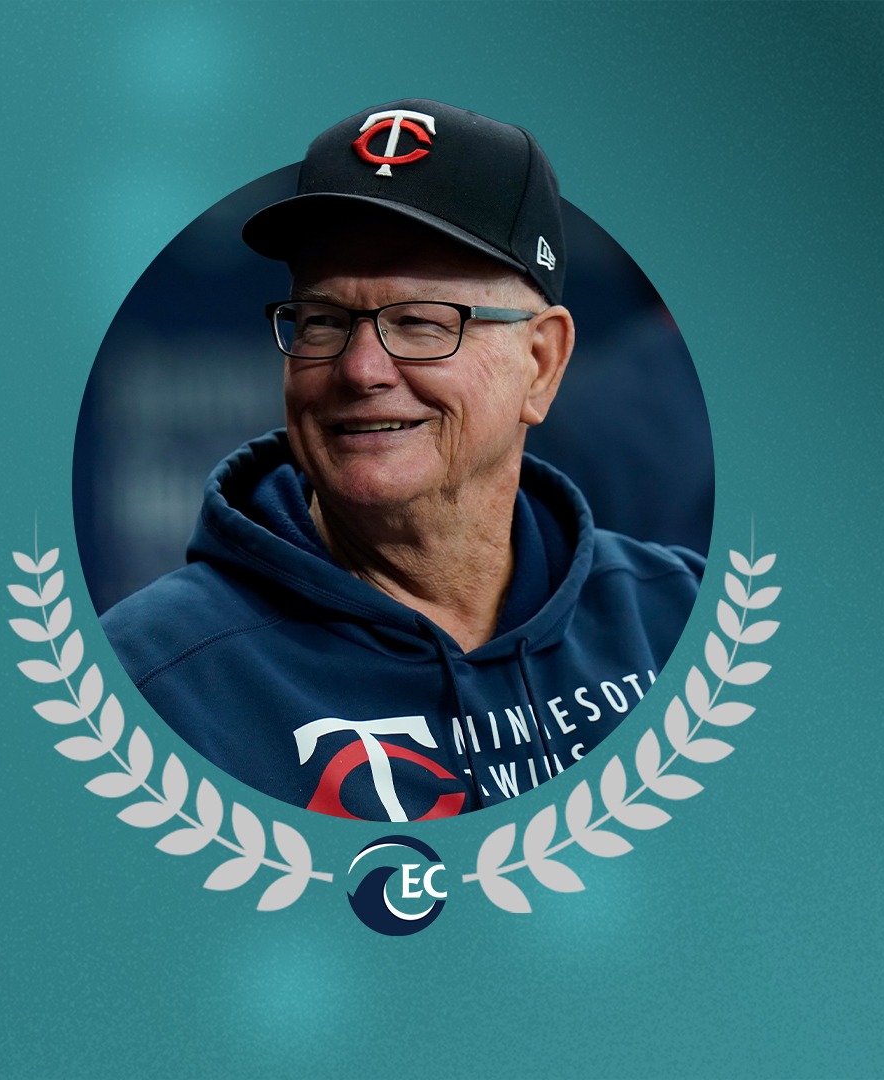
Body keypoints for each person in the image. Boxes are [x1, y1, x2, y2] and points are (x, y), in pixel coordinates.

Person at [99, 99, 705, 821]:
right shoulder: (147, 683)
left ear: (540, 365)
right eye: (323, 320)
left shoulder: (680, 620)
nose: (359, 370)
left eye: (420, 323)